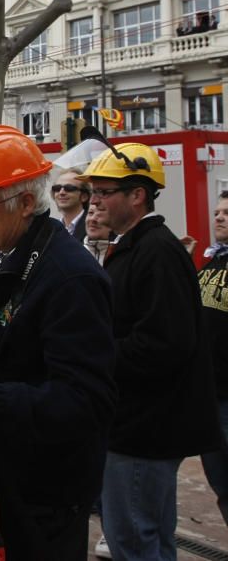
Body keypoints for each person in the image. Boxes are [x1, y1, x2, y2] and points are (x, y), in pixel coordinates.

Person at [0, 125, 117, 559]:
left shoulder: (69, 277)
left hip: (45, 497)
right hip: (8, 480)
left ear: (23, 204)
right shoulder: (17, 255)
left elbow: (87, 401)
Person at [80, 142, 221, 561]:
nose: (95, 201)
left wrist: (96, 356)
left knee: (134, 542)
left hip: (143, 430)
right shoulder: (139, 245)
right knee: (149, 540)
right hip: (140, 426)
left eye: (105, 192)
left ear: (137, 195)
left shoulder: (155, 250)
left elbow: (165, 344)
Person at [199, 190, 228, 527]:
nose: (218, 217)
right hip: (209, 393)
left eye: (226, 213)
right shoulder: (212, 262)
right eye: (217, 211)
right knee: (221, 483)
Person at [52, 170, 90, 241]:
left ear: (84, 196)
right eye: (57, 188)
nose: (61, 192)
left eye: (69, 188)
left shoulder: (93, 225)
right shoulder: (52, 228)